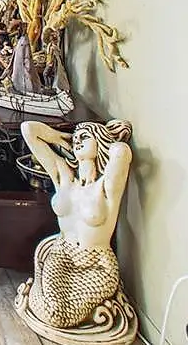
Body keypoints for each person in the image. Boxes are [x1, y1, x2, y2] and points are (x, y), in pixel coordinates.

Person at [19, 119, 132, 327]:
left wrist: (106, 136)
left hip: (97, 264)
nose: (78, 141)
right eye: (76, 138)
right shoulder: (64, 177)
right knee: (54, 313)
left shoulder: (106, 187)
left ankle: (35, 294)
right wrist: (62, 138)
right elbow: (28, 130)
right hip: (62, 254)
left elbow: (121, 152)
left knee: (60, 316)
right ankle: (40, 294)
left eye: (84, 137)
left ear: (100, 142)